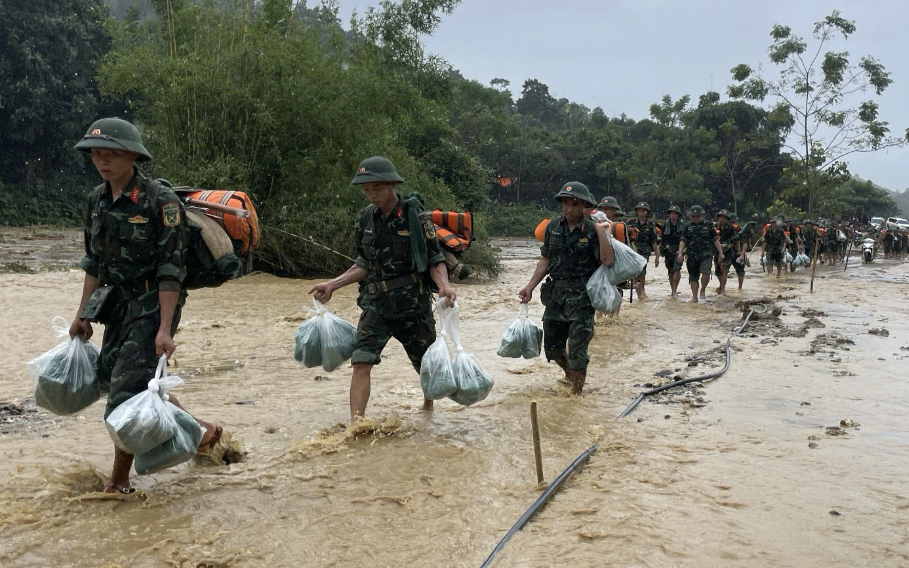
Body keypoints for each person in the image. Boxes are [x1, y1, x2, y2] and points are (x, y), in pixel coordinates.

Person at [70, 118, 222, 494]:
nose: (102, 160)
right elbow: (93, 263)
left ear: (133, 156)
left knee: (125, 392)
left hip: (155, 302)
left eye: (111, 153)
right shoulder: (96, 200)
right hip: (116, 304)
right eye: (96, 154)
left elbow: (172, 270)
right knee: (120, 379)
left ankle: (118, 483)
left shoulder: (160, 201)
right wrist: (81, 315)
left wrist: (165, 328)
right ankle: (203, 433)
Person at [309, 157, 456, 422]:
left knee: (425, 365)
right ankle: (357, 423)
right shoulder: (364, 219)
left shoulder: (416, 219)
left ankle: (428, 409)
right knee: (361, 360)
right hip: (376, 305)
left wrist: (444, 286)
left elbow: (435, 259)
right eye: (366, 189)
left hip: (413, 306)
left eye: (377, 188)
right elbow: (363, 263)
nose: (371, 194)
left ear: (391, 185)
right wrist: (332, 284)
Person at [518, 182, 615, 394]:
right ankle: (571, 376)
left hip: (582, 297)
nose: (569, 208)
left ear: (584, 206)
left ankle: (576, 397)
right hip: (556, 295)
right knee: (552, 347)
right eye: (565, 203)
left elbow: (607, 261)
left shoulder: (592, 230)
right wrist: (530, 286)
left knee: (578, 351)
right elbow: (545, 261)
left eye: (574, 203)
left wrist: (602, 233)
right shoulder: (552, 227)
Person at [678, 205, 723, 303]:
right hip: (692, 255)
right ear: (690, 216)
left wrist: (720, 252)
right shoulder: (687, 227)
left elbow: (715, 239)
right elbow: (683, 240)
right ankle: (695, 297)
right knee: (693, 277)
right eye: (693, 216)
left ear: (701, 215)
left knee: (706, 272)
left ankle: (703, 289)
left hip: (706, 254)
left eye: (697, 216)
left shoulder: (708, 225)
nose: (695, 218)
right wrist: (680, 253)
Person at [628, 202, 660, 300]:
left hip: (645, 251)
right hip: (633, 250)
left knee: (642, 270)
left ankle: (642, 291)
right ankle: (639, 291)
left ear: (647, 212)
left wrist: (657, 256)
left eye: (644, 211)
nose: (642, 213)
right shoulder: (631, 223)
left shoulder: (650, 225)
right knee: (635, 272)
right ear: (637, 212)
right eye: (640, 211)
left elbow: (654, 240)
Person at [714, 209, 744, 293]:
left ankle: (722, 289)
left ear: (727, 219)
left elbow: (735, 239)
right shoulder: (714, 227)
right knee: (717, 272)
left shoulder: (731, 228)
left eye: (725, 218)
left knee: (724, 270)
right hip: (717, 251)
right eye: (721, 217)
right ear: (718, 218)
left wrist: (727, 245)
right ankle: (722, 285)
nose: (723, 219)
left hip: (728, 252)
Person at [661, 205, 684, 297]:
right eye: (671, 213)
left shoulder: (683, 226)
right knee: (670, 271)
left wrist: (682, 251)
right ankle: (672, 290)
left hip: (679, 249)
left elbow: (685, 238)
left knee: (677, 269)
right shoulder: (665, 226)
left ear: (678, 215)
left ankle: (674, 290)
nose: (673, 215)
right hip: (668, 250)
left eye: (675, 214)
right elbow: (662, 239)